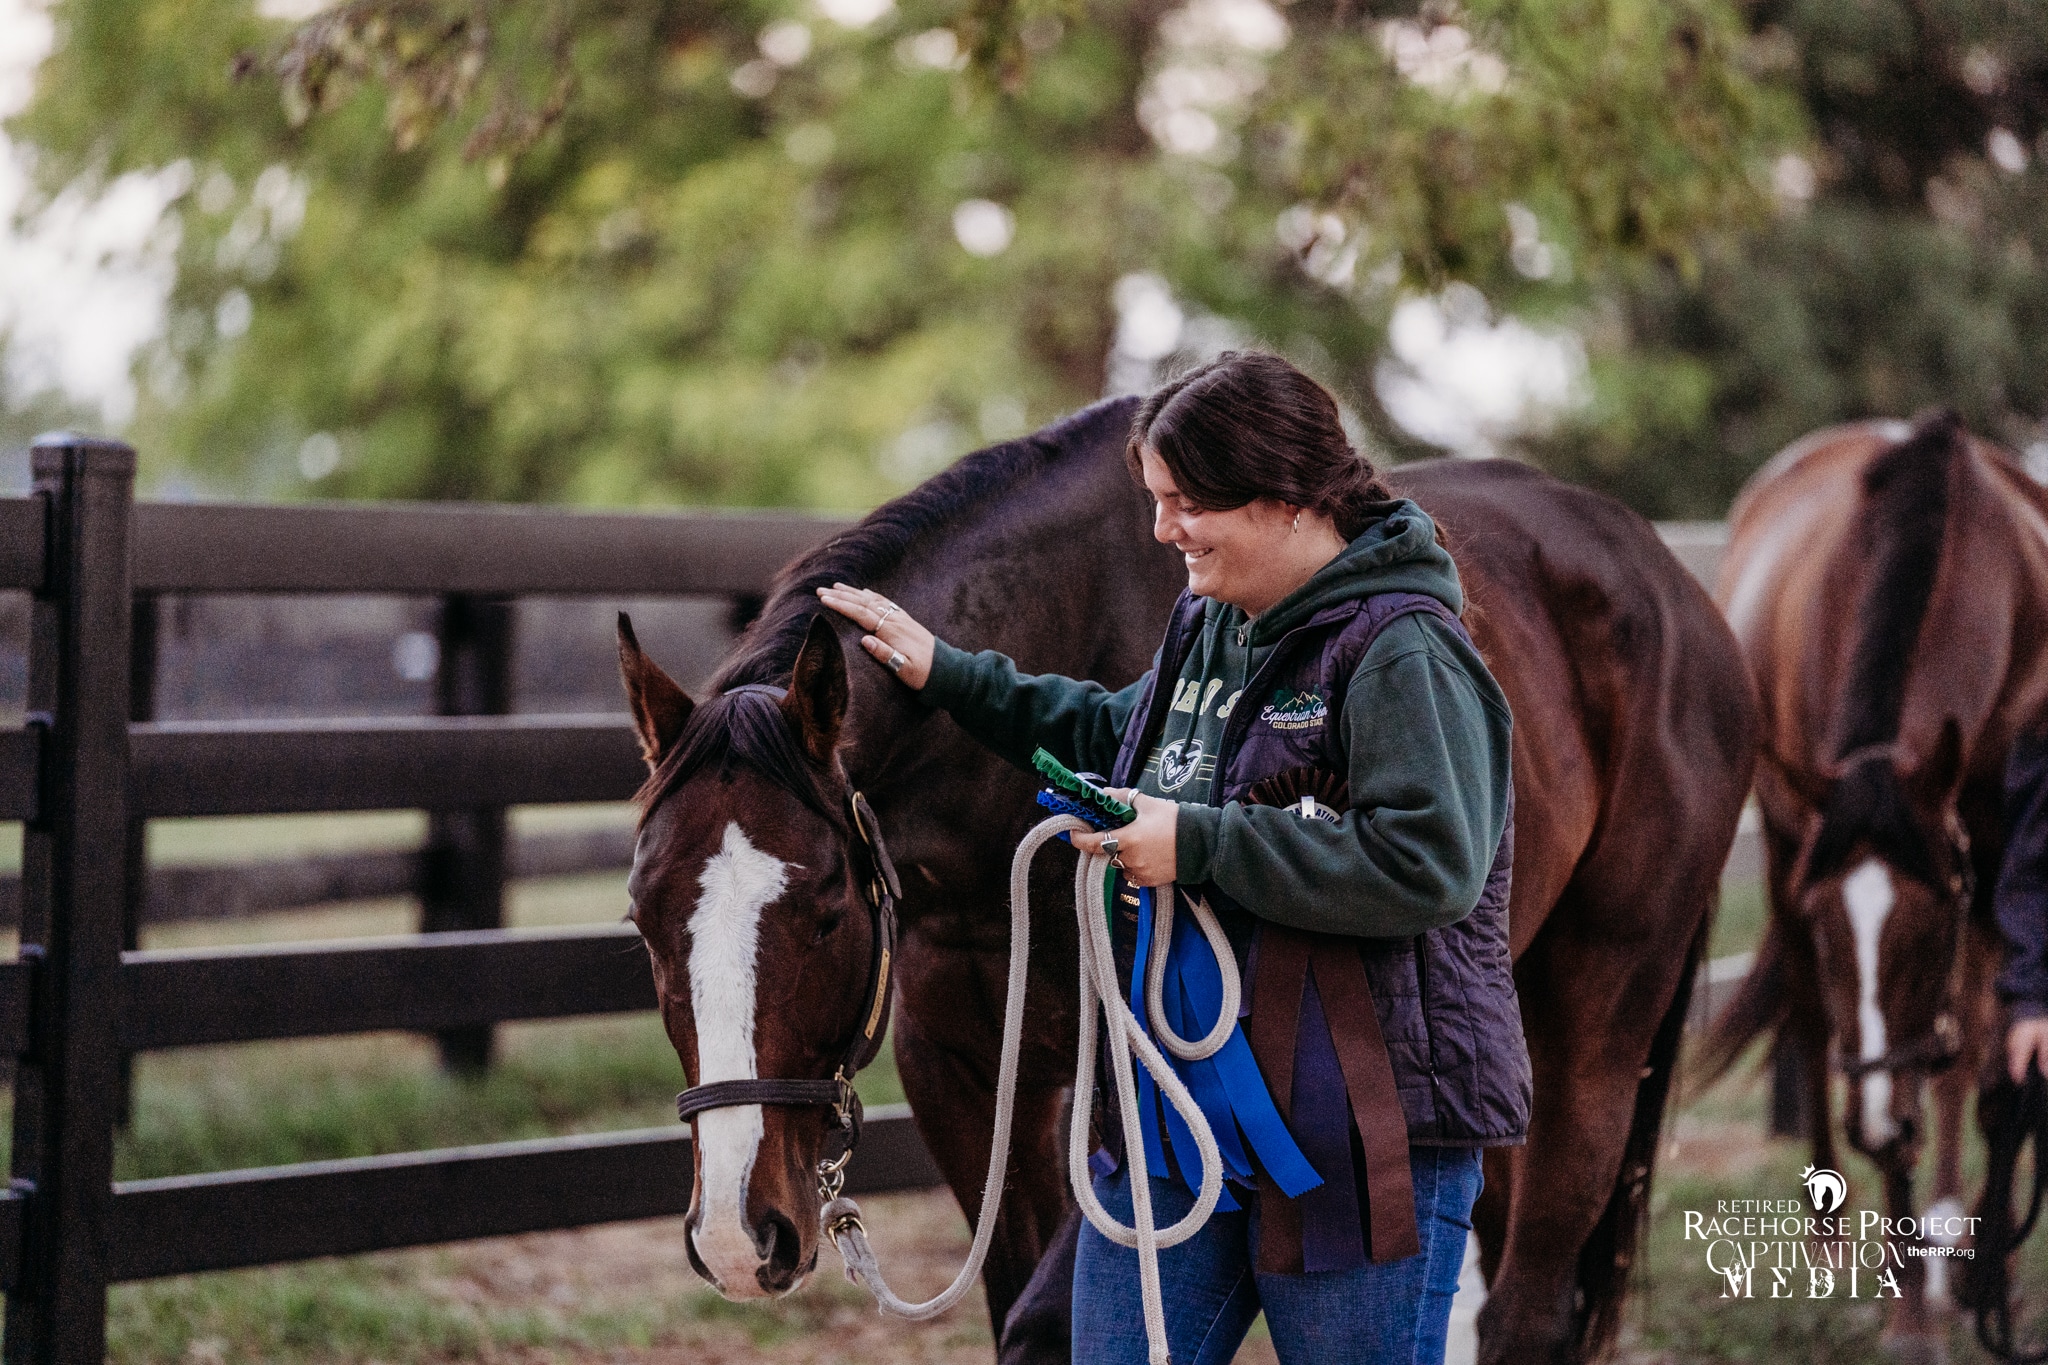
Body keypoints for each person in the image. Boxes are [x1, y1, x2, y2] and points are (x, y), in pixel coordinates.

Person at [818, 351, 1529, 1365]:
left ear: (1285, 498)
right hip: (1174, 1106)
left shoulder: (1404, 651)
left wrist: (1193, 843)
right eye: (1157, 500)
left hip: (1357, 1130)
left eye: (1187, 503)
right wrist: (951, 676)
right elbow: (1125, 733)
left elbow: (1429, 862)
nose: (1162, 530)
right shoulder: (1211, 621)